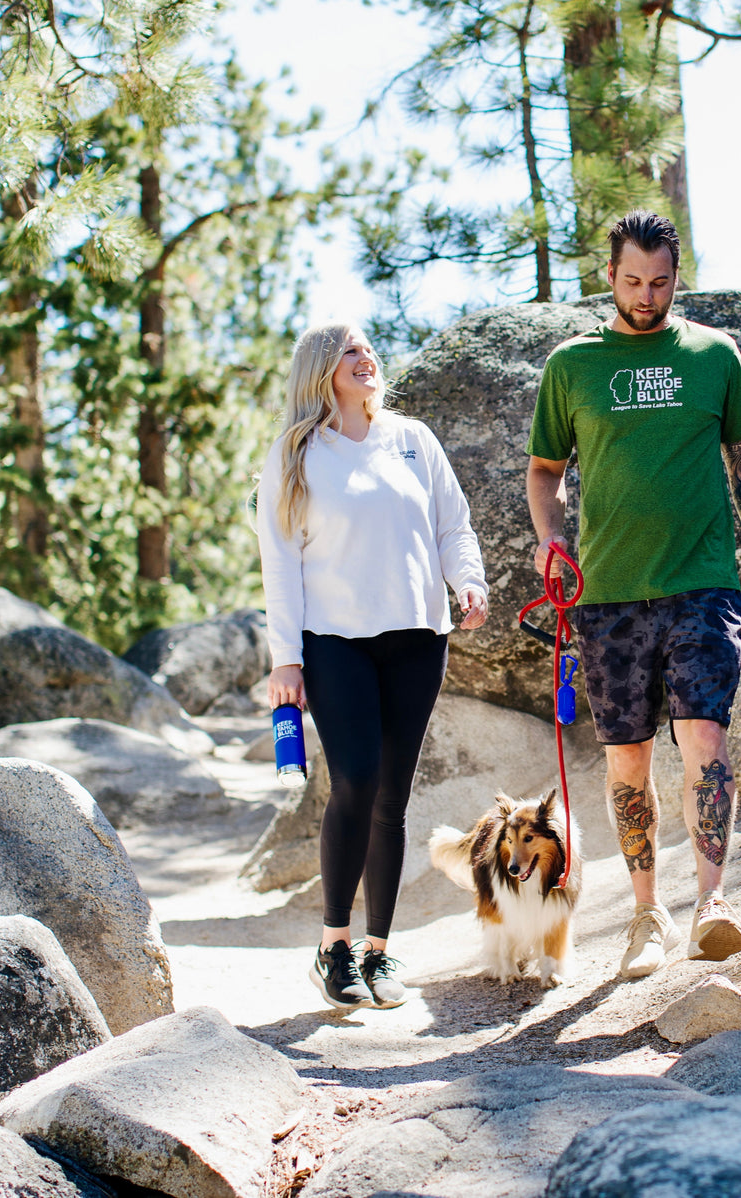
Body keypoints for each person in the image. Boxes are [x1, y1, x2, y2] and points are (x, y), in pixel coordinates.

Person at [526, 210, 741, 980]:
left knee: (703, 737)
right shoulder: (572, 366)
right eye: (633, 281)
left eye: (661, 282)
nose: (647, 296)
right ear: (609, 276)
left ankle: (712, 903)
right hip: (604, 597)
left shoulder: (714, 355)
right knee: (627, 761)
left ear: (679, 275)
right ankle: (647, 914)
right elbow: (545, 470)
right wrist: (552, 536)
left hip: (702, 585)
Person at [257, 322, 488, 1011]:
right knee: (355, 779)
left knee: (393, 795)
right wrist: (286, 661)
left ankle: (378, 953)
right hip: (335, 641)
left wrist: (466, 579)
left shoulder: (413, 440)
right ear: (321, 371)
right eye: (349, 352)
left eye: (368, 350)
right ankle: (333, 946)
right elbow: (280, 560)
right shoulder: (296, 452)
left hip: (418, 636)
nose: (366, 359)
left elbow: (454, 524)